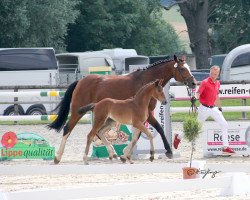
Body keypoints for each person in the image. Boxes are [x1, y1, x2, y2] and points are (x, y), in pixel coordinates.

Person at [173, 65, 235, 154]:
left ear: (218, 74)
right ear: (210, 72)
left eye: (215, 74)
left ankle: (226, 146)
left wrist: (220, 107)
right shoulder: (205, 82)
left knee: (224, 124)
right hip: (204, 109)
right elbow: (198, 93)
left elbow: (216, 96)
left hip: (214, 108)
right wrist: (195, 98)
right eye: (212, 73)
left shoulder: (217, 83)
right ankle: (178, 137)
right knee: (195, 127)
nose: (213, 75)